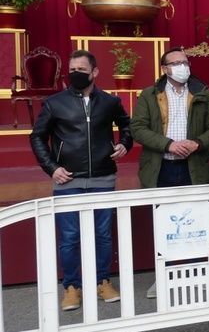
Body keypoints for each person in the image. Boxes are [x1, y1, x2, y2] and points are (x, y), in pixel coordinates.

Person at [30, 50, 132, 311]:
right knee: (70, 236)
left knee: (102, 235)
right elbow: (37, 136)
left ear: (94, 72)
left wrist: (124, 144)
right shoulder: (55, 103)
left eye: (81, 70)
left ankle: (102, 281)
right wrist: (51, 168)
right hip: (67, 180)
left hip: (103, 177)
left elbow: (127, 126)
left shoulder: (109, 102)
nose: (75, 74)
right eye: (72, 69)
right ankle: (72, 287)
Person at [131, 47, 209, 298]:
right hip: (161, 167)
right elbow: (138, 128)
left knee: (195, 223)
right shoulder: (150, 94)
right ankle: (163, 277)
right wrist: (168, 144)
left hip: (194, 167)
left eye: (185, 62)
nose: (183, 67)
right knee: (164, 225)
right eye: (176, 63)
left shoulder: (201, 93)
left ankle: (195, 274)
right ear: (165, 69)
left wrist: (198, 143)